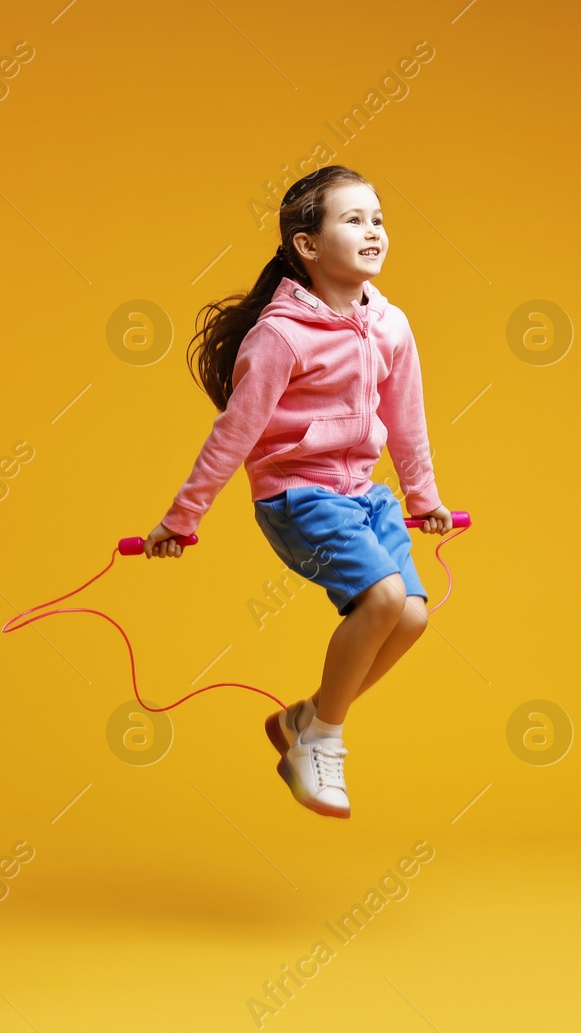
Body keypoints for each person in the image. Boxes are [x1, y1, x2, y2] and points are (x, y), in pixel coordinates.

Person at [142, 164, 452, 819]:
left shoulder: (391, 325)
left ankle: (304, 719)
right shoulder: (281, 335)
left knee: (414, 615)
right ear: (308, 246)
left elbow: (407, 417)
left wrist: (423, 499)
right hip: (298, 497)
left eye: (378, 218)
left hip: (365, 495)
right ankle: (323, 740)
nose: (373, 231)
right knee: (384, 596)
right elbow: (234, 432)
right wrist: (182, 517)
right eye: (353, 219)